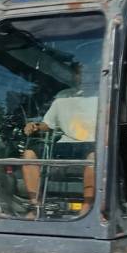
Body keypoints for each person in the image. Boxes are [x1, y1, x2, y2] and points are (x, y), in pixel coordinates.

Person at [23, 63, 98, 208]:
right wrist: (34, 126)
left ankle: (88, 208)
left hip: (92, 143)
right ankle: (36, 206)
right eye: (79, 73)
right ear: (74, 76)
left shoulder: (101, 96)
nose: (83, 77)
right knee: (29, 154)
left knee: (94, 157)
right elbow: (48, 124)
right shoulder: (62, 97)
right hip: (65, 144)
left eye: (87, 73)